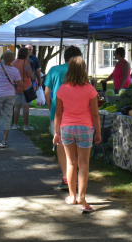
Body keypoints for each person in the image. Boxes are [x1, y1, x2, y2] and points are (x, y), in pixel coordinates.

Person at [53, 56, 101, 212]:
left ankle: (72, 197)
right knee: (84, 163)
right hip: (86, 129)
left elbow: (58, 114)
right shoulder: (90, 89)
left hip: (66, 128)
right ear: (84, 71)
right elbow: (95, 114)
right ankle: (82, 196)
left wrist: (56, 132)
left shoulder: (62, 89)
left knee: (71, 163)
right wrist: (98, 132)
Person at [44, 46, 82, 190]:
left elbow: (47, 93)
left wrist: (50, 108)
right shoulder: (80, 70)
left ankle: (66, 177)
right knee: (77, 145)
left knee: (60, 144)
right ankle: (75, 175)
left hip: (57, 111)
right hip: (77, 111)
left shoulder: (54, 70)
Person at [0, 50, 23, 148]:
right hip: (10, 95)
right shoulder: (15, 70)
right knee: (7, 118)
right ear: (12, 59)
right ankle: (5, 141)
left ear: (3, 58)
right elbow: (21, 84)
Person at [12, 48, 34, 131]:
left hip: (17, 86)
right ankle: (26, 125)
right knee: (26, 107)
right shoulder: (26, 62)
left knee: (17, 106)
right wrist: (32, 74)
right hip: (26, 86)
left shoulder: (14, 62)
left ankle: (15, 124)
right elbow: (29, 74)